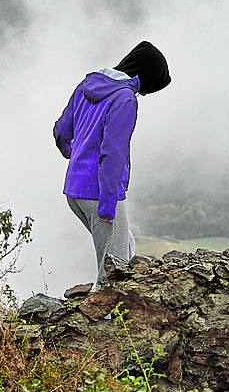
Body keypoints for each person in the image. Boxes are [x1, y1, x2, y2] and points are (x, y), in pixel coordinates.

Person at [53, 41, 171, 289]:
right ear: (145, 77)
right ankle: (104, 325)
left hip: (75, 190)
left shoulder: (88, 84)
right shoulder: (125, 98)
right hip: (101, 193)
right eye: (149, 88)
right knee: (114, 274)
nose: (144, 94)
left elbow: (62, 130)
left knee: (126, 246)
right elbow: (113, 153)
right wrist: (108, 203)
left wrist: (76, 156)